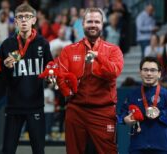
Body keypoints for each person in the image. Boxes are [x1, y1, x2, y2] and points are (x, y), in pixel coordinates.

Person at [56, 8, 124, 154]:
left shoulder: (113, 50)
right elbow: (61, 77)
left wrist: (98, 57)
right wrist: (65, 88)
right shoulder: (69, 50)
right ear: (83, 24)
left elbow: (114, 72)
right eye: (90, 21)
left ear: (102, 24)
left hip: (103, 111)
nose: (93, 25)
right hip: (76, 110)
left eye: (97, 22)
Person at [0, 3, 53, 154]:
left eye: (27, 17)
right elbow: (0, 78)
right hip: (14, 106)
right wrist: (6, 68)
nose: (24, 20)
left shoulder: (43, 43)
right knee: (8, 150)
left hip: (35, 105)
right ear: (15, 21)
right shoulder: (7, 45)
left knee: (38, 150)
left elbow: (50, 70)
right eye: (20, 17)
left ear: (34, 20)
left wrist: (51, 79)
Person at [119, 57, 167, 154]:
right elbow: (122, 114)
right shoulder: (132, 95)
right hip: (138, 147)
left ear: (159, 74)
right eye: (145, 70)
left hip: (162, 147)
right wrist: (125, 119)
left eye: (153, 70)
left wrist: (160, 114)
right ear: (140, 72)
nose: (149, 73)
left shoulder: (166, 94)